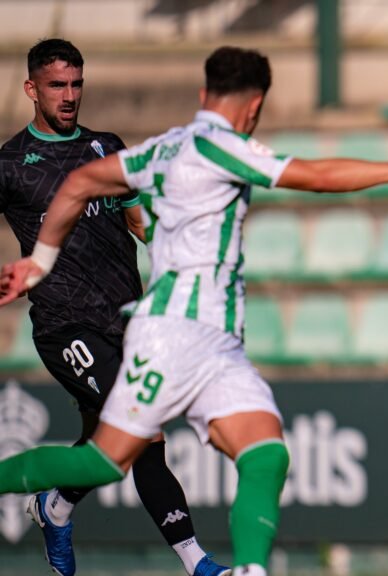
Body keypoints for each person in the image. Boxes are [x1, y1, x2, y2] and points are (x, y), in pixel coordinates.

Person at [0, 46, 388, 576]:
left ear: (202, 95)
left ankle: (250, 571)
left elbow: (81, 184)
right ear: (255, 105)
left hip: (211, 343)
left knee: (266, 451)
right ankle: (193, 558)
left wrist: (39, 260)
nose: (70, 95)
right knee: (108, 459)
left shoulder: (161, 149)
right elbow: (317, 175)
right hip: (166, 336)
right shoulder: (223, 147)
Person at [0, 38, 228, 576]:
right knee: (144, 432)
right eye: (57, 85)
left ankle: (55, 506)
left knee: (107, 445)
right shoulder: (11, 164)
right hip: (64, 324)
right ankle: (197, 563)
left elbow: (137, 219)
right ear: (32, 89)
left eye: (77, 84)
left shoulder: (106, 147)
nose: (69, 95)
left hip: (127, 318)